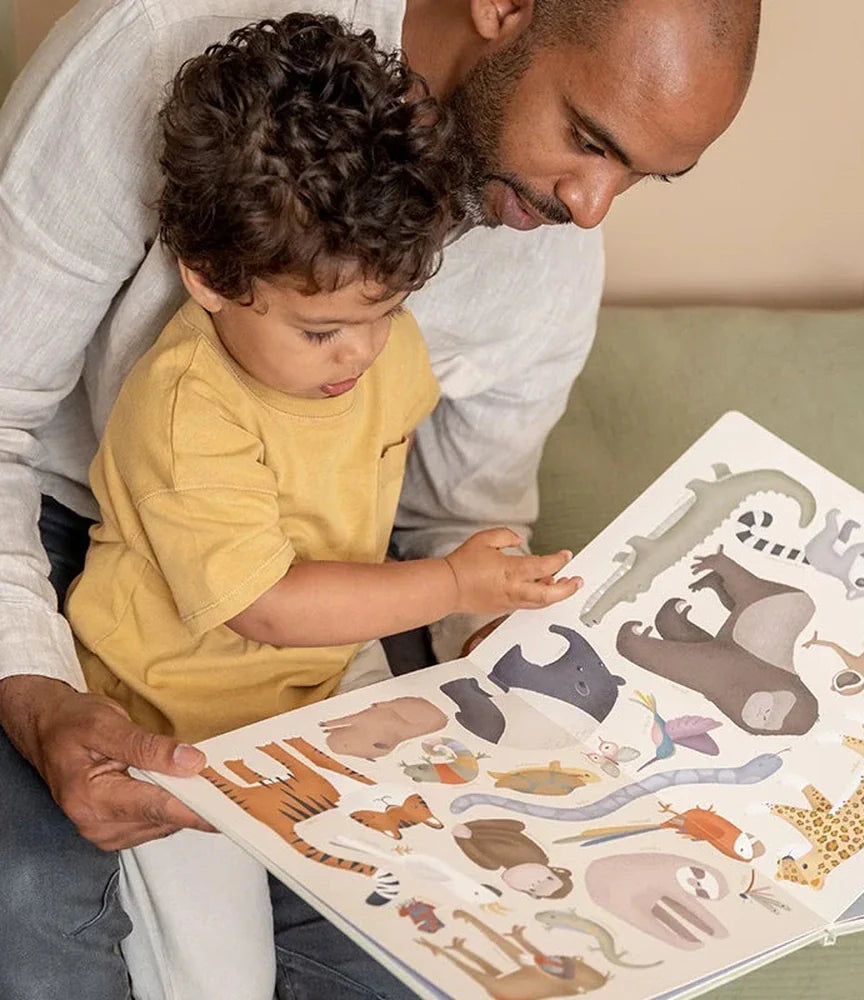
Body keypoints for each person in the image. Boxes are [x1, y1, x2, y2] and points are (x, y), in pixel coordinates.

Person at [0, 0, 761, 997]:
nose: (592, 207)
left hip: (342, 615)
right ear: (504, 8)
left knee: (447, 946)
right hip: (83, 560)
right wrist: (34, 687)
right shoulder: (156, 46)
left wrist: (518, 656)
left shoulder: (545, 253)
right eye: (587, 139)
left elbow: (461, 519)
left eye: (645, 176)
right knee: (36, 909)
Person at [62, 15, 581, 996]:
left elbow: (449, 510)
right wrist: (447, 582)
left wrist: (496, 583)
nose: (361, 354)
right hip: (179, 726)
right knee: (216, 976)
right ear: (211, 279)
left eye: (386, 312)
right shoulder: (185, 407)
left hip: (333, 683)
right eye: (322, 330)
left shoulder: (383, 348)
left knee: (455, 908)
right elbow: (266, 605)